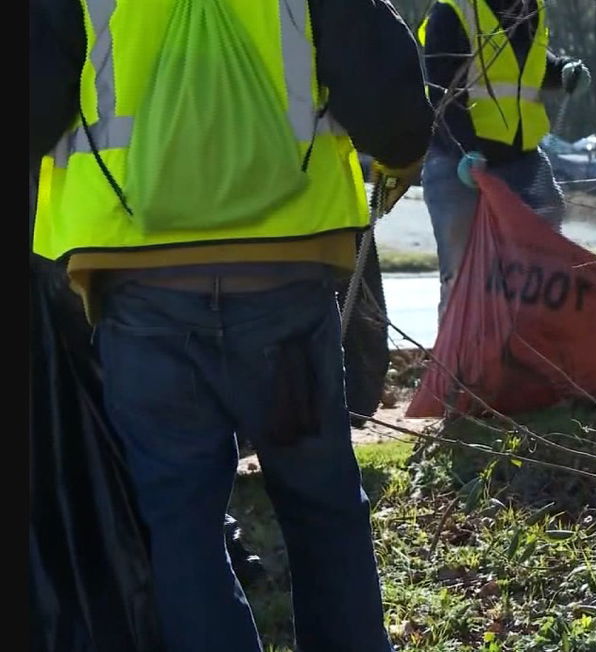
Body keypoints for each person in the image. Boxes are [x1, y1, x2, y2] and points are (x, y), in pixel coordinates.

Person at [30, 0, 433, 650]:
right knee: (322, 511)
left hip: (142, 290)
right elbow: (394, 115)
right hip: (283, 286)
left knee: (180, 524)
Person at [419, 0, 592, 316]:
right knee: (462, 276)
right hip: (460, 167)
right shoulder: (452, 12)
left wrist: (562, 70)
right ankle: (458, 362)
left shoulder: (528, 8)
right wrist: (464, 150)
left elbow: (528, 66)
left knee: (539, 268)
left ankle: (524, 354)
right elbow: (441, 95)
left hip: (521, 162)